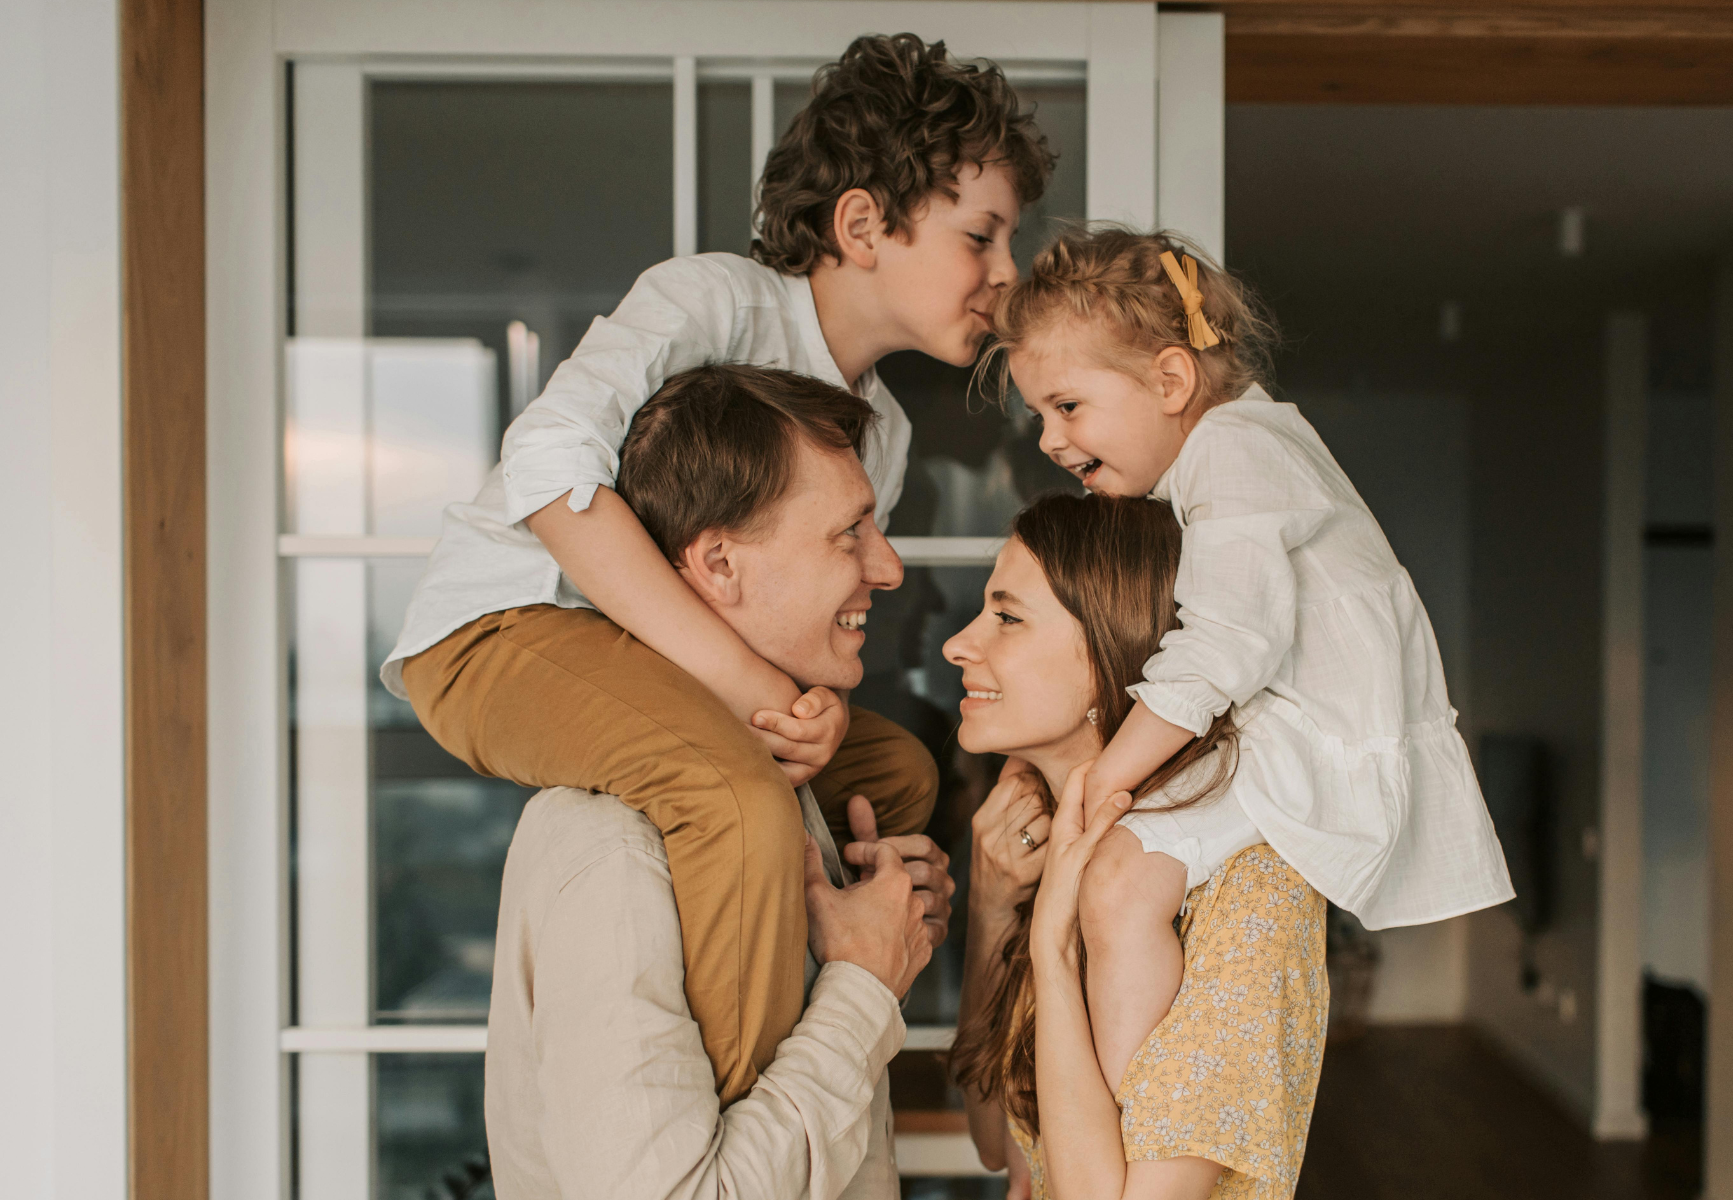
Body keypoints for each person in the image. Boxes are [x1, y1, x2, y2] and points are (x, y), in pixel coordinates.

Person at [386, 35, 1052, 1104]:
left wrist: (814, 709)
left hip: (665, 670)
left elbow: (790, 630)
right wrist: (755, 690)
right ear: (863, 225)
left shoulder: (878, 433)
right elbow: (547, 468)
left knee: (897, 780)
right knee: (734, 795)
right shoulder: (711, 303)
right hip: (505, 631)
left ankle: (806, 975)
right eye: (982, 235)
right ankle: (741, 1126)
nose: (1006, 274)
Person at [987, 226, 1515, 1096]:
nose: (1049, 438)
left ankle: (1126, 1130)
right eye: (1039, 413)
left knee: (1118, 877)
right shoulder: (1240, 448)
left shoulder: (1234, 450)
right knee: (1120, 878)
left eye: (1067, 406)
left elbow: (1224, 647)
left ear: (1170, 379)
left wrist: (1102, 782)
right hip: (1295, 729)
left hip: (1319, 740)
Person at [486, 363, 956, 1199]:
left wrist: (882, 929)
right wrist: (860, 989)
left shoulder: (789, 796)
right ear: (719, 564)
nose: (886, 569)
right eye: (848, 532)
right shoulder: (614, 848)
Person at [946, 493, 1328, 1199]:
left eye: (1006, 617)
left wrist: (1053, 951)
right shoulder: (1058, 846)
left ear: (1107, 649)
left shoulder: (1251, 888)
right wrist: (997, 906)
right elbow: (997, 1141)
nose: (958, 644)